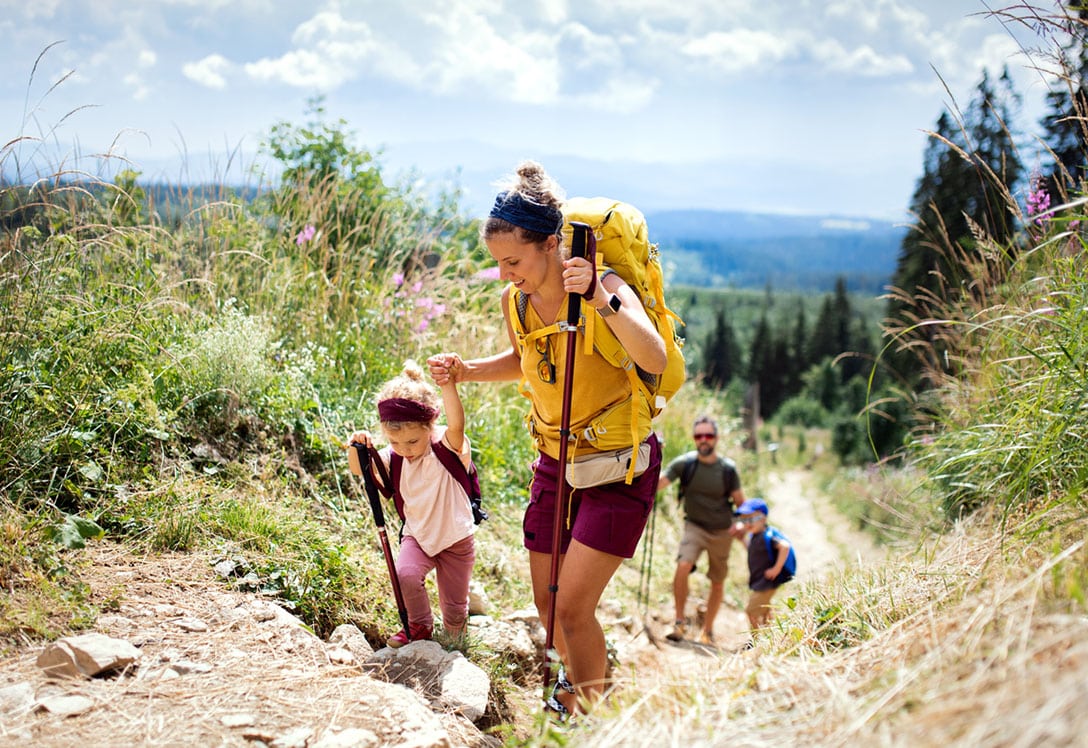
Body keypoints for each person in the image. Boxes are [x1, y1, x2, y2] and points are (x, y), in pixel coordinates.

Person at [428, 160, 667, 717]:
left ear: (552, 244)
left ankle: (589, 717)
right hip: (555, 462)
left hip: (618, 466)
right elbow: (526, 359)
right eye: (498, 263)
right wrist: (467, 371)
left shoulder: (604, 286)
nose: (506, 273)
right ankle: (584, 689)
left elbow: (652, 355)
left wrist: (603, 302)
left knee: (575, 608)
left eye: (513, 260)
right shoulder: (517, 300)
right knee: (548, 604)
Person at [347, 360, 476, 648]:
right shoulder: (394, 457)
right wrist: (355, 446)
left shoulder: (446, 445)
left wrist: (448, 385)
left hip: (456, 538)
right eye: (395, 442)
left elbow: (457, 423)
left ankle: (456, 640)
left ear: (430, 426)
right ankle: (419, 627)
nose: (405, 449)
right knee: (405, 574)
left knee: (455, 606)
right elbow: (360, 469)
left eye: (413, 441)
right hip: (418, 534)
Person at [655, 416, 746, 645]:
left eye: (708, 435)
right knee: (683, 565)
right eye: (699, 436)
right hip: (694, 526)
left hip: (722, 531)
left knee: (717, 581)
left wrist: (744, 524)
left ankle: (708, 630)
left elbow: (741, 503)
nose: (703, 440)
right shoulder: (684, 464)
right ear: (694, 439)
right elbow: (658, 483)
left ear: (716, 438)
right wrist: (653, 456)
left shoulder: (727, 469)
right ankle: (679, 622)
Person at [733, 498, 792, 635]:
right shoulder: (755, 536)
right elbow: (753, 552)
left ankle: (757, 639)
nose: (747, 524)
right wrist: (742, 540)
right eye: (744, 520)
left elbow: (784, 546)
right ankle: (771, 635)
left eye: (751, 519)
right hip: (760, 580)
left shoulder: (768, 536)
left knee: (751, 611)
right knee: (765, 610)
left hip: (767, 581)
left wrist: (776, 569)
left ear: (763, 518)